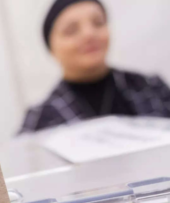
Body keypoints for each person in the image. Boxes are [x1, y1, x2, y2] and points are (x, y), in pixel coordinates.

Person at [20, 0, 170, 132]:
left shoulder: (151, 88)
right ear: (51, 48)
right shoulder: (40, 119)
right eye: (71, 30)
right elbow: (8, 163)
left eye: (98, 23)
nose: (89, 34)